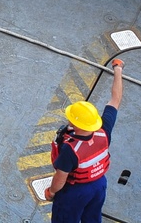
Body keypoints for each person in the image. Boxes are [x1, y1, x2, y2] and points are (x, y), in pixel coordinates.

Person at [45, 59, 125, 222]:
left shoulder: (70, 149)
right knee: (92, 218)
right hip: (99, 185)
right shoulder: (104, 131)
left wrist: (51, 192)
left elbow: (60, 179)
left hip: (75, 192)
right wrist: (118, 69)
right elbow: (115, 99)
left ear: (74, 123)